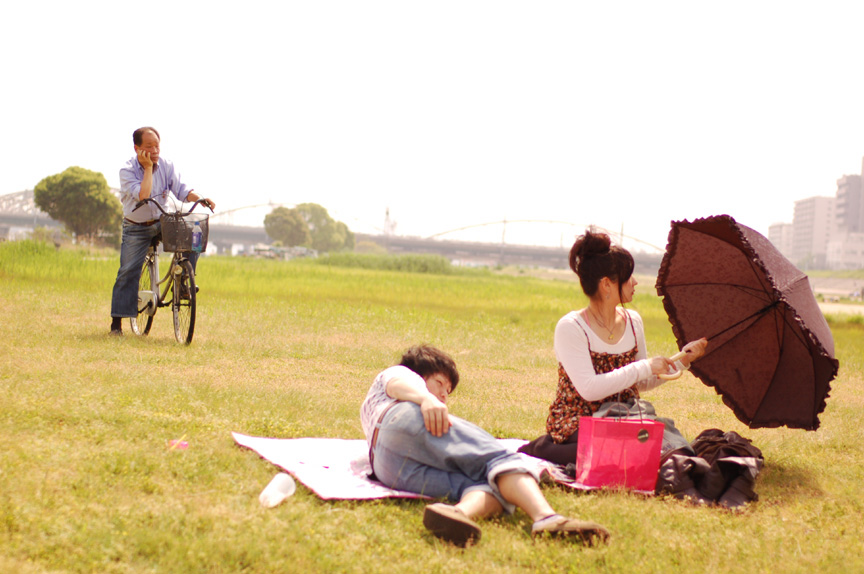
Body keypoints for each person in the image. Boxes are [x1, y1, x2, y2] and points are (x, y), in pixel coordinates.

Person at [360, 345, 610, 547]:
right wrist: (425, 398)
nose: (444, 396)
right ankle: (548, 518)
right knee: (500, 458)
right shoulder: (400, 375)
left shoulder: (371, 408)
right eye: (439, 383)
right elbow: (398, 383)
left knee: (487, 482)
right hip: (401, 419)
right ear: (420, 374)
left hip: (387, 467)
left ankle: (459, 514)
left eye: (448, 391)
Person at [518, 228, 708, 466]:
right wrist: (645, 366)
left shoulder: (633, 320)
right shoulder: (571, 327)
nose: (636, 281)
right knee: (623, 454)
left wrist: (683, 360)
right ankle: (545, 448)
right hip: (579, 421)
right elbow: (589, 389)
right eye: (629, 276)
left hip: (624, 416)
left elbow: (640, 381)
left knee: (669, 454)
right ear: (607, 284)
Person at [109, 127, 215, 335]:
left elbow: (183, 190)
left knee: (193, 238)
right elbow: (143, 194)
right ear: (137, 148)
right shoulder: (127, 170)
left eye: (157, 145)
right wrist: (148, 168)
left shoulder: (167, 166)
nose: (155, 150)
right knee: (128, 271)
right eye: (149, 146)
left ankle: (184, 282)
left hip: (162, 221)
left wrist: (201, 198)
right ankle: (116, 324)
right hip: (136, 227)